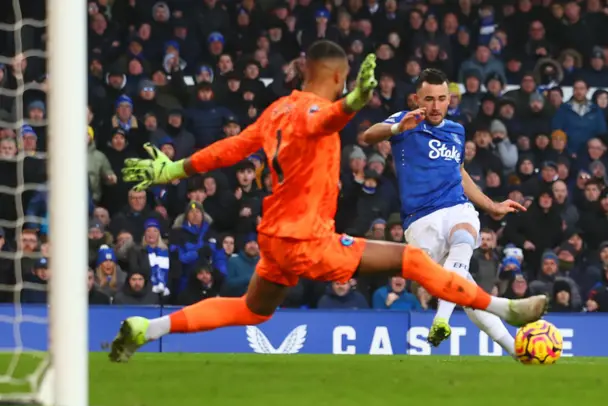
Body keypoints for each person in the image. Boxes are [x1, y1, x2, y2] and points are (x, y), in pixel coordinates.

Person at [108, 41, 546, 362]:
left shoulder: (277, 110)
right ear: (337, 77)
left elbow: (231, 149)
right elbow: (329, 119)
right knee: (412, 261)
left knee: (251, 310)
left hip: (274, 238)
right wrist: (356, 101)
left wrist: (174, 169)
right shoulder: (316, 112)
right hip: (309, 238)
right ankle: (505, 308)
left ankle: (150, 328)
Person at [363, 68, 525, 356]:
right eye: (429, 99)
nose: (436, 106)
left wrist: (491, 205)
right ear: (417, 99)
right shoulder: (406, 121)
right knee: (467, 291)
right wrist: (397, 128)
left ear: (450, 99)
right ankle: (514, 349)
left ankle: (442, 319)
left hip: (455, 206)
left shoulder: (456, 130)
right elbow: (367, 136)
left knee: (464, 233)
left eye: (442, 99)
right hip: (420, 220)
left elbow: (459, 171)